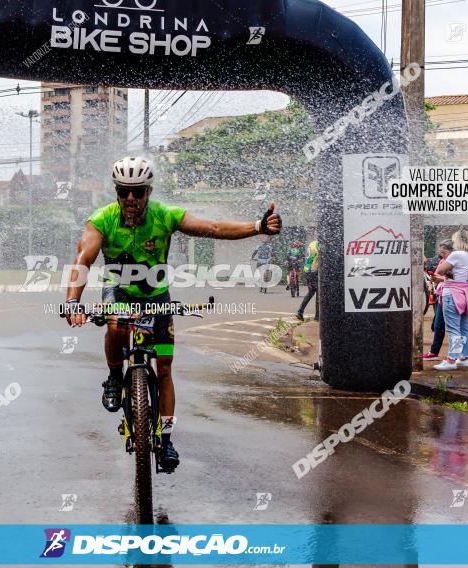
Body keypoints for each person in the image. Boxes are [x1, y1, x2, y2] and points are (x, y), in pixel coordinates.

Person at [63, 156, 281, 472]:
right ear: (117, 192)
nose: (131, 199)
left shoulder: (165, 216)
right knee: (115, 325)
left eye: (138, 192)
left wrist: (258, 227)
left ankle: (165, 440)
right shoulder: (102, 219)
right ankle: (114, 376)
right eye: (124, 192)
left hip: (157, 296)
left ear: (149, 191)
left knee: (164, 369)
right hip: (119, 292)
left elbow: (214, 228)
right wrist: (73, 301)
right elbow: (84, 256)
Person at [433, 230, 468, 371]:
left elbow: (439, 270)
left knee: (453, 328)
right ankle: (464, 358)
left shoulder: (456, 254)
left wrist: (447, 271)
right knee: (464, 327)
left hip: (452, 293)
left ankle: (451, 360)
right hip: (465, 293)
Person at [422, 240, 453, 360]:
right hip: (443, 294)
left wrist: (439, 279)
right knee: (438, 324)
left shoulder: (454, 261)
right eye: (440, 253)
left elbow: (453, 279)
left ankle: (456, 356)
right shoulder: (443, 260)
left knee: (454, 328)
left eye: (444, 252)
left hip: (452, 295)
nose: (442, 255)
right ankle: (435, 351)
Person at [296, 239, 319, 321]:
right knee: (319, 293)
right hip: (313, 271)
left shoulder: (312, 243)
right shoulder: (318, 245)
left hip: (308, 270)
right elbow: (318, 256)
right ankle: (317, 316)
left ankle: (300, 312)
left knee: (311, 292)